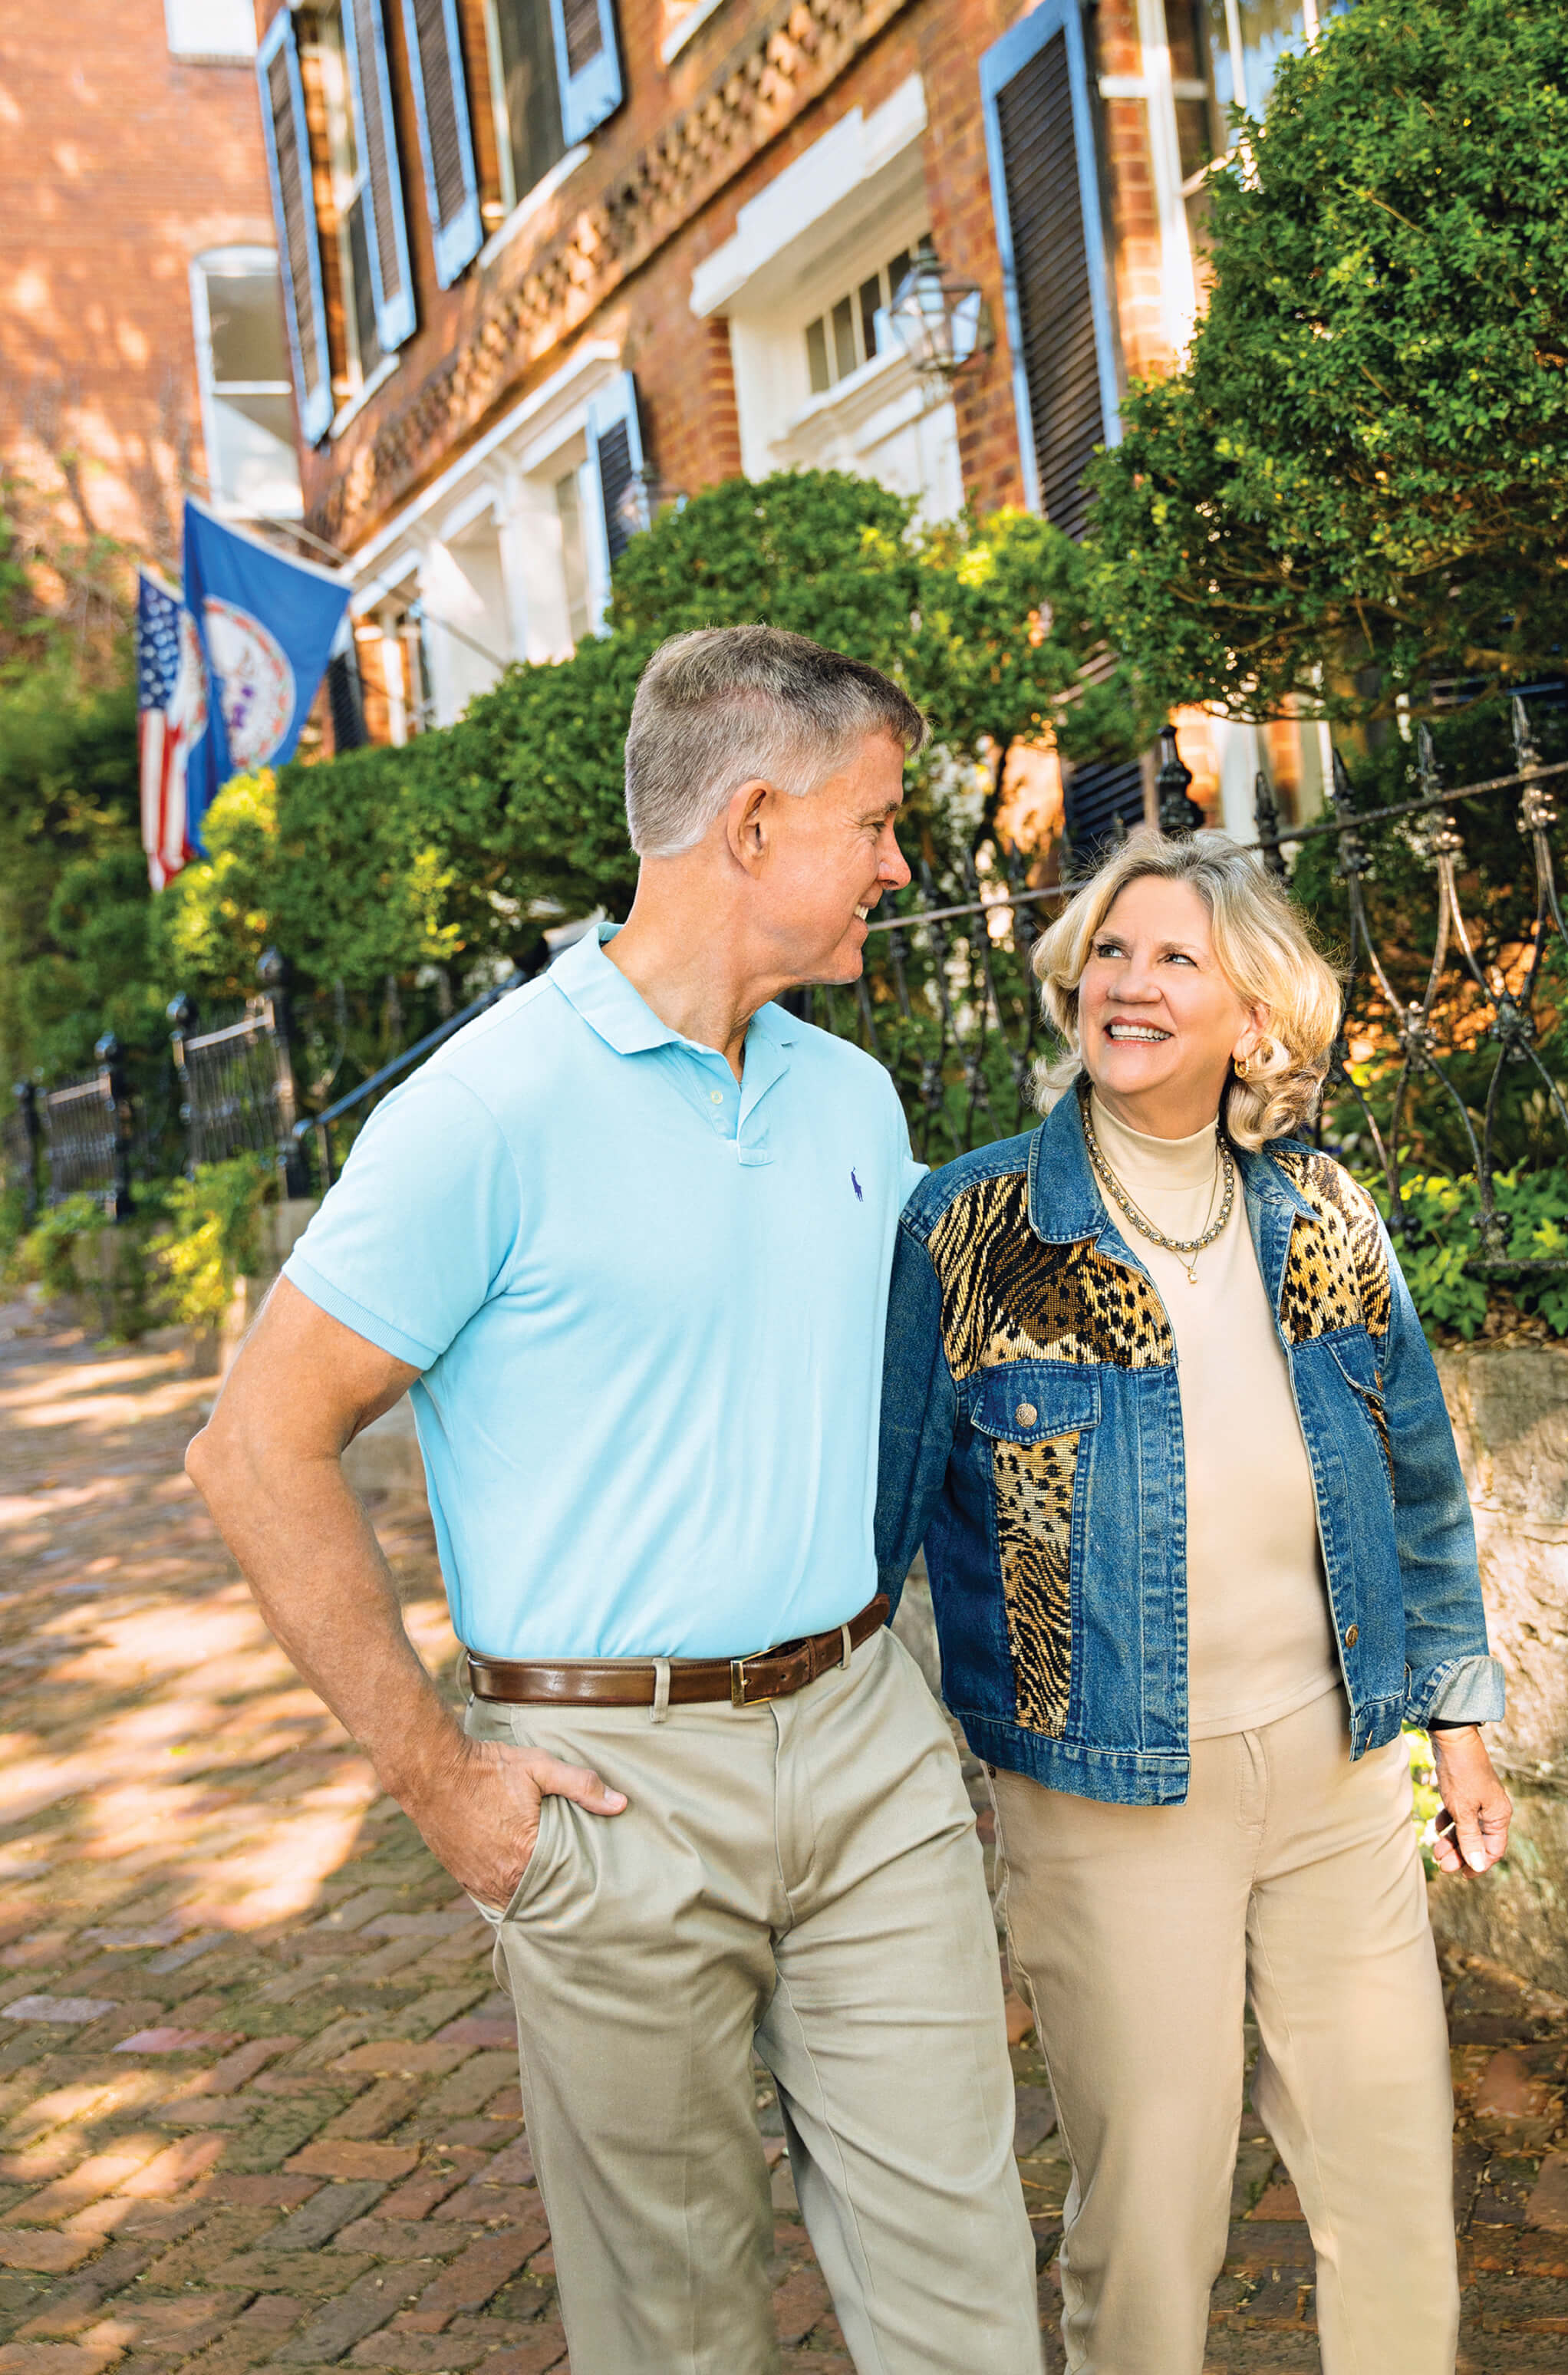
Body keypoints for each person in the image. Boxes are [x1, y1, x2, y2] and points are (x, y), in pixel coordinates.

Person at [186, 626, 1043, 2375]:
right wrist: (442, 1786)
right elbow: (252, 1445)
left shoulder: (856, 1098)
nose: (899, 863)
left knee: (966, 2293)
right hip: (611, 1790)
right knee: (676, 2328)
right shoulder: (485, 1110)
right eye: (876, 825)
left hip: (870, 1746)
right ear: (748, 828)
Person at [876, 828, 1513, 2375]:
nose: (1129, 983)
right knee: (1155, 2217)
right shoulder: (969, 1232)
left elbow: (1415, 1481)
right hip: (1105, 1799)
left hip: (1338, 1768)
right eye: (1109, 950)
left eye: (1174, 958)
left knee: (1391, 2187)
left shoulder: (1325, 1217)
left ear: (1254, 1019)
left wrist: (1463, 1723)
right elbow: (874, 1539)